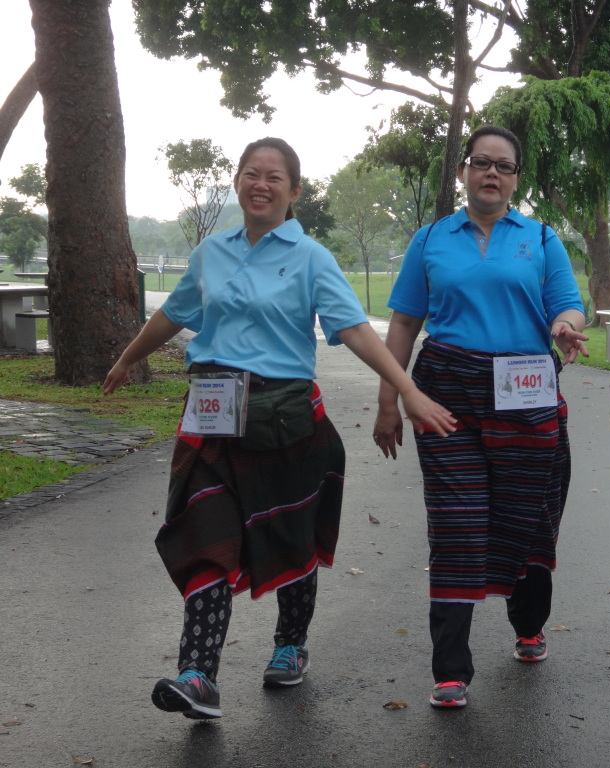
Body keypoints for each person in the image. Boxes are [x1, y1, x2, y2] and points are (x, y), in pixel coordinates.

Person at [103, 137, 456, 720]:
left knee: (292, 542)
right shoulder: (212, 252)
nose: (259, 184)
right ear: (237, 183)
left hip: (287, 422)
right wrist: (127, 356)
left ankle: (291, 644)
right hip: (212, 421)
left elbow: (356, 331)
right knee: (205, 538)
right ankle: (198, 676)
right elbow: (174, 313)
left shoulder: (311, 256)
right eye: (250, 173)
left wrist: (408, 392)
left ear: (293, 191)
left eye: (273, 176)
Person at [372, 126, 589, 709]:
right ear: (463, 172)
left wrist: (565, 326)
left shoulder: (541, 239)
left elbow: (565, 303)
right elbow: (403, 324)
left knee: (530, 517)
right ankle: (450, 668)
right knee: (456, 522)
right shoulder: (431, 239)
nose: (492, 174)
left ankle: (529, 622)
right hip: (448, 394)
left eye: (505, 166)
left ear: (517, 179)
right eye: (481, 163)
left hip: (526, 394)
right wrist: (388, 400)